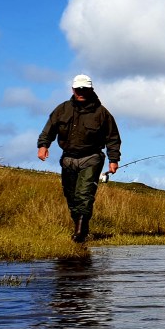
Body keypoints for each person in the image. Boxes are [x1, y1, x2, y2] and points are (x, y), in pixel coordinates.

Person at [37, 74, 121, 243]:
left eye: (84, 89)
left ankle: (80, 232)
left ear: (91, 90)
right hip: (68, 159)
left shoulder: (102, 113)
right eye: (78, 89)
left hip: (92, 158)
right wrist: (43, 145)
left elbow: (113, 138)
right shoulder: (62, 109)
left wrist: (113, 160)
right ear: (72, 89)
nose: (80, 92)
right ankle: (82, 225)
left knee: (84, 194)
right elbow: (49, 129)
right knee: (71, 196)